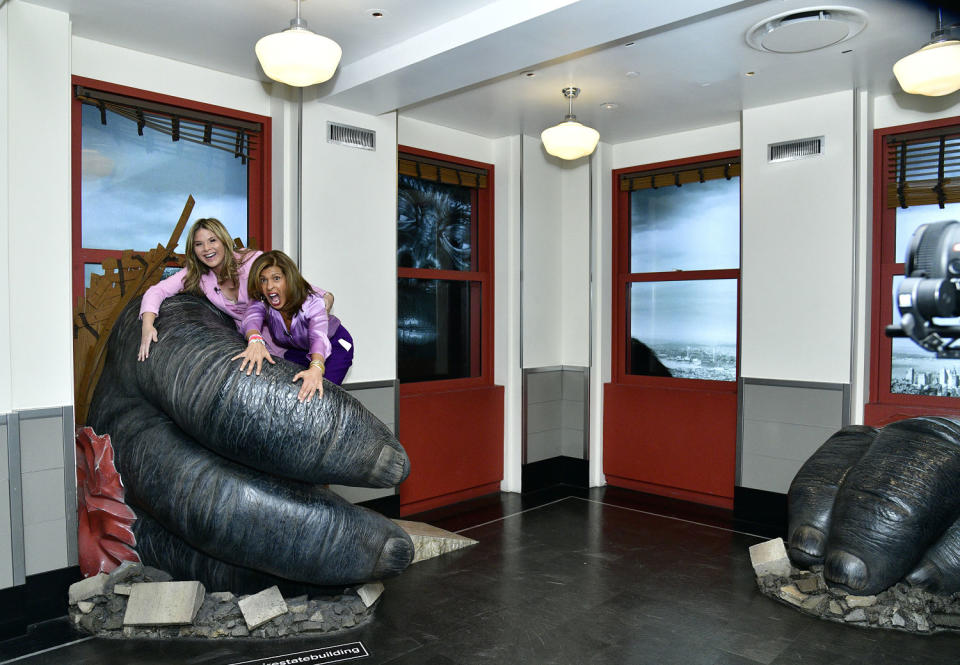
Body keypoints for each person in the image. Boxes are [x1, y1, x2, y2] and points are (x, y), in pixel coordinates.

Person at [136, 218, 333, 361]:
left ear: (224, 240)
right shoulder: (197, 274)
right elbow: (156, 291)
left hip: (296, 340)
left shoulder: (253, 261)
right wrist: (147, 326)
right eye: (199, 244)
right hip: (255, 345)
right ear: (193, 250)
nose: (206, 248)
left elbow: (318, 294)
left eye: (212, 240)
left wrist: (310, 323)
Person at [235, 250, 354, 403]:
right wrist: (255, 339)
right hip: (298, 351)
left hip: (334, 346)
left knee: (319, 397)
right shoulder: (262, 302)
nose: (269, 286)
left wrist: (316, 367)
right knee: (290, 395)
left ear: (289, 279)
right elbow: (251, 318)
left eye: (276, 278)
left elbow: (318, 337)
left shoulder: (312, 303)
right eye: (263, 280)